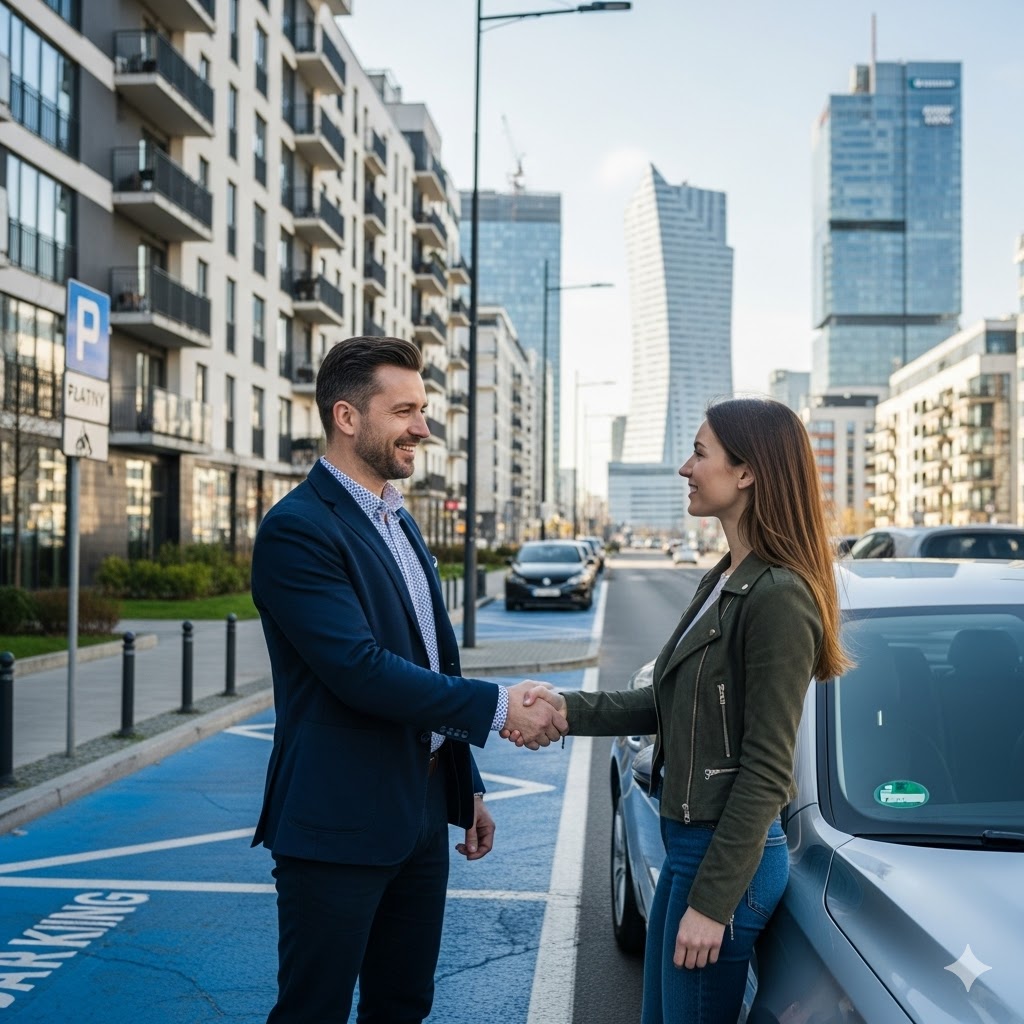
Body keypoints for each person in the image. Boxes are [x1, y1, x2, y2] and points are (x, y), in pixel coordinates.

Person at [251, 335, 567, 1024]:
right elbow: (360, 671)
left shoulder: (397, 517)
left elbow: (431, 661)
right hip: (338, 822)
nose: (424, 427)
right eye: (405, 411)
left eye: (422, 409)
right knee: (314, 1010)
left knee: (403, 1004)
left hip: (421, 810)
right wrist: (497, 705)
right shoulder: (298, 530)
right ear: (347, 417)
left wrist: (464, 787)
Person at [512, 397, 851, 1023]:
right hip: (690, 847)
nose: (684, 468)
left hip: (726, 861)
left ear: (746, 472)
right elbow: (664, 702)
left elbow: (767, 770)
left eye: (699, 453)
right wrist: (564, 707)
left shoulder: (778, 596)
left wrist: (715, 903)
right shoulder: (727, 576)